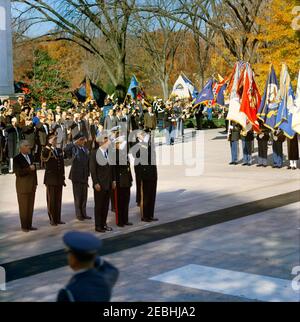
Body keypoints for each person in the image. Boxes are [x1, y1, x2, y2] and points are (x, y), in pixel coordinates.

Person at [57, 231, 119, 302]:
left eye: (68, 253)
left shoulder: (68, 293)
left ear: (73, 259)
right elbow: (112, 269)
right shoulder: (105, 279)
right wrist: (91, 255)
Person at [90, 134, 116, 233]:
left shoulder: (109, 153)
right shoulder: (94, 153)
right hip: (100, 184)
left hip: (109, 183)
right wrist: (95, 182)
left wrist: (113, 180)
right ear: (100, 142)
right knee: (99, 206)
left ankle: (104, 224)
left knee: (106, 206)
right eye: (106, 141)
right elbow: (93, 169)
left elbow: (112, 168)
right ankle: (98, 225)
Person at [64, 132, 91, 221]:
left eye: (83, 140)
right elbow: (66, 149)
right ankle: (79, 214)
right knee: (78, 196)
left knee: (84, 196)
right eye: (81, 140)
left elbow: (87, 162)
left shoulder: (85, 149)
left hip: (84, 175)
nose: (83, 141)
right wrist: (73, 143)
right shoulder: (73, 149)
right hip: (76, 176)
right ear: (77, 141)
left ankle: (84, 213)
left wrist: (88, 173)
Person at [13, 140, 37, 232]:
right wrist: (28, 169)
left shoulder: (31, 156)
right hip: (23, 187)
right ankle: (24, 226)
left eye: (28, 145)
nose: (29, 147)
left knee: (30, 207)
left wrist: (35, 183)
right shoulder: (17, 159)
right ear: (21, 147)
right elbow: (18, 173)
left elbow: (34, 171)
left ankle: (29, 225)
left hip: (31, 186)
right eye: (27, 146)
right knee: (23, 207)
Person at [41, 134, 66, 226]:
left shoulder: (58, 150)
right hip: (50, 179)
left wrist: (63, 176)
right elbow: (44, 158)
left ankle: (58, 218)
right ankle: (52, 219)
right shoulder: (46, 150)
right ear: (49, 140)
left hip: (59, 178)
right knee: (51, 200)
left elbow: (61, 164)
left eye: (56, 139)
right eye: (54, 139)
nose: (55, 141)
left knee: (58, 199)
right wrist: (48, 145)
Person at [134, 130, 158, 222]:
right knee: (145, 197)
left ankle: (150, 215)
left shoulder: (149, 144)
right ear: (138, 136)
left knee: (152, 196)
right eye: (142, 135)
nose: (144, 136)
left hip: (152, 173)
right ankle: (145, 216)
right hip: (144, 175)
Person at [113, 136, 133, 227]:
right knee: (119, 203)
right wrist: (114, 181)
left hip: (126, 181)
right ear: (116, 144)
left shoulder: (124, 153)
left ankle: (125, 219)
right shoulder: (114, 154)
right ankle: (120, 221)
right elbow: (114, 169)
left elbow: (128, 168)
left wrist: (130, 179)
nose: (123, 145)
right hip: (119, 181)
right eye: (121, 143)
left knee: (126, 201)